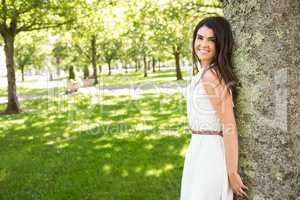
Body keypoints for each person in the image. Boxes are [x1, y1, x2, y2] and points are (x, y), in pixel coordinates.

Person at [180, 16, 248, 200]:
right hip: (198, 149)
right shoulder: (203, 73)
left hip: (210, 155)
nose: (203, 44)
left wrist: (232, 173)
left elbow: (229, 125)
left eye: (212, 40)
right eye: (200, 37)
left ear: (221, 44)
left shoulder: (212, 76)